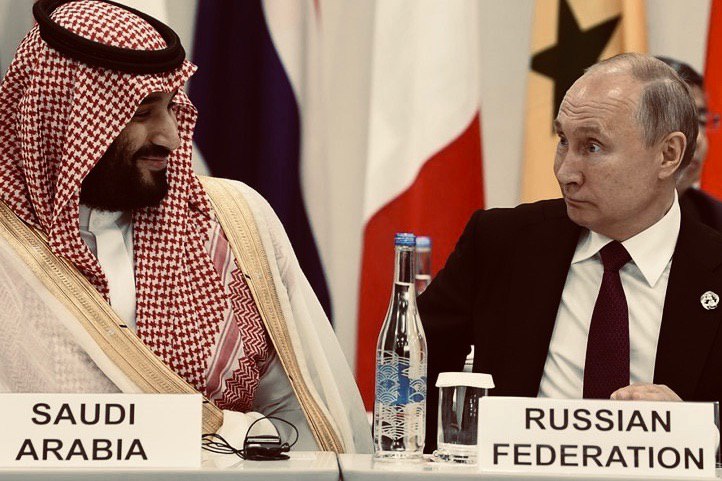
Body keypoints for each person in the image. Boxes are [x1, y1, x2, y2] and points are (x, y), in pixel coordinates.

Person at [0, 0, 371, 453]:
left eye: (172, 107)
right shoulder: (8, 245)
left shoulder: (234, 221)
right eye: (141, 113)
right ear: (63, 116)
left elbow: (300, 414)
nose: (171, 137)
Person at [418, 53, 722, 450]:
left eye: (592, 147)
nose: (565, 172)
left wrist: (696, 432)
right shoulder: (502, 242)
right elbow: (410, 370)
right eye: (563, 141)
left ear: (668, 154)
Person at [656, 56, 722, 232]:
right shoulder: (589, 214)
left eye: (702, 121)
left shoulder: (715, 220)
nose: (697, 138)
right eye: (679, 119)